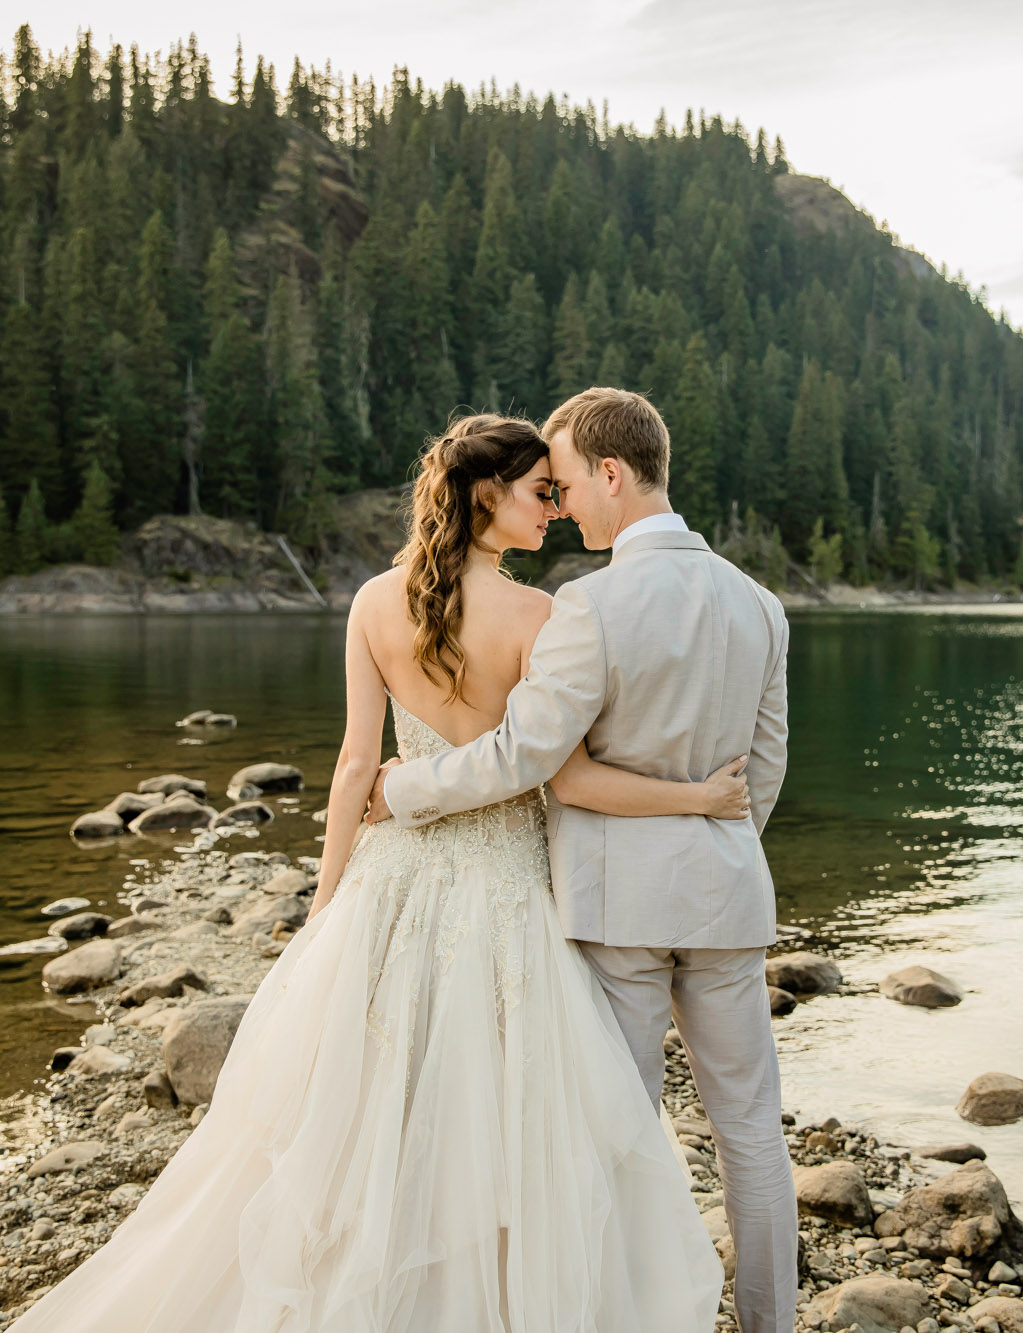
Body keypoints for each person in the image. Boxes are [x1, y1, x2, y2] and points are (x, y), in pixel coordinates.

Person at [5, 412, 738, 1331]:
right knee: (505, 1111)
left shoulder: (371, 601)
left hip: (390, 879)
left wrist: (327, 902)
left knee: (374, 1101)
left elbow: (355, 767)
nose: (553, 508)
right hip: (507, 887)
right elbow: (563, 775)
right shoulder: (542, 616)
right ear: (486, 496)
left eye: (559, 493)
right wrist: (696, 798)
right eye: (538, 492)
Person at [368, 387, 796, 1333]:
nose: (562, 506)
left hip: (615, 911)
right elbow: (760, 772)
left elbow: (530, 756)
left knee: (617, 1132)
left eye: (565, 483)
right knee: (752, 1135)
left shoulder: (587, 605)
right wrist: (714, 851)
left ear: (612, 472)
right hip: (726, 899)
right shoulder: (759, 604)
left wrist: (404, 792)